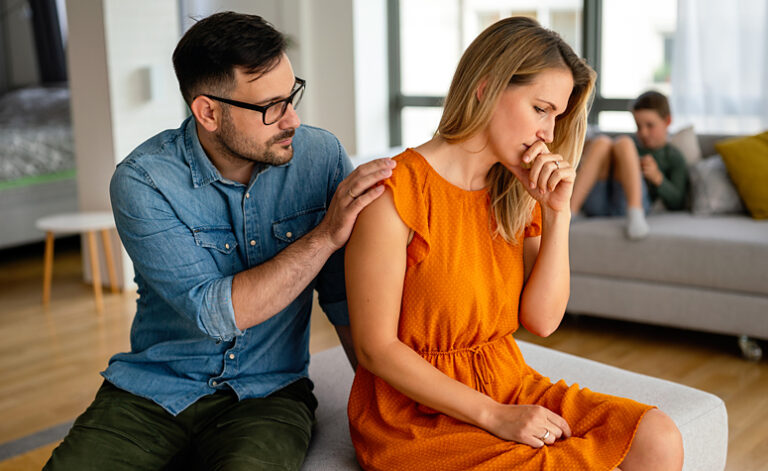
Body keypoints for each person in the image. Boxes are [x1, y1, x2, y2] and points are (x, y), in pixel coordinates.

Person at [44, 12, 394, 471]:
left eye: (292, 95)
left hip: (268, 394)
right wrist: (326, 234)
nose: (292, 119)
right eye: (271, 106)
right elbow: (218, 313)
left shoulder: (320, 157)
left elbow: (345, 299)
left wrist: (383, 414)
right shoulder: (143, 180)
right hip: (152, 391)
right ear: (208, 112)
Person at [345, 17, 683, 471]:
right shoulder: (395, 193)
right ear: (486, 87)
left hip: (506, 382)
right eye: (541, 108)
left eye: (557, 116)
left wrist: (558, 212)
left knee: (658, 437)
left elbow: (542, 321)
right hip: (415, 415)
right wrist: (496, 417)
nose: (548, 131)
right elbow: (374, 348)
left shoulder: (515, 192)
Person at [570, 91, 689, 240]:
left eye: (650, 125)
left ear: (667, 121)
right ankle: (569, 213)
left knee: (625, 143)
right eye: (638, 126)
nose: (643, 133)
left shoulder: (673, 156)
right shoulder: (633, 144)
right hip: (599, 201)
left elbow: (678, 202)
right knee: (601, 142)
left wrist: (658, 178)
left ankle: (635, 213)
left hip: (625, 205)